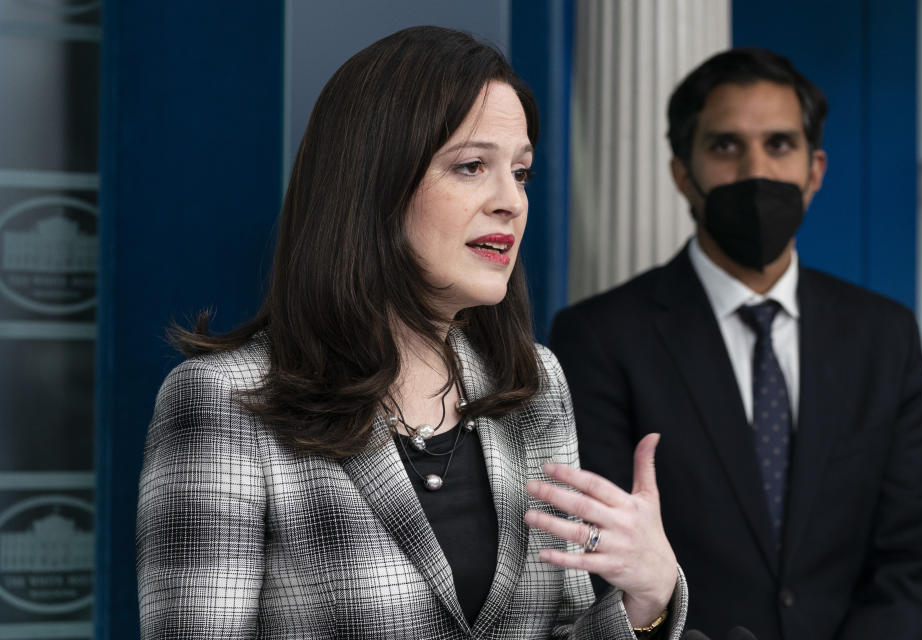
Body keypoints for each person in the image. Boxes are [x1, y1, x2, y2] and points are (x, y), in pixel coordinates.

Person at [136, 26, 688, 639]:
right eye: (472, 166)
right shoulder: (222, 400)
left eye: (522, 173)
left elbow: (558, 628)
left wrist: (648, 597)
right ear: (372, 183)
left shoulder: (533, 385)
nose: (510, 201)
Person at [550, 48, 922, 640]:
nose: (756, 170)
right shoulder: (598, 337)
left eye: (780, 145)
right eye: (725, 146)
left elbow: (912, 555)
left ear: (815, 171)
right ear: (683, 173)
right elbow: (599, 559)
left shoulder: (884, 335)